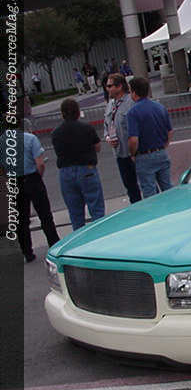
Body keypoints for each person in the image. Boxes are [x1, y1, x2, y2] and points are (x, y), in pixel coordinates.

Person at [0, 121, 60, 262]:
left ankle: (27, 251)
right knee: (45, 215)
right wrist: (38, 176)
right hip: (32, 178)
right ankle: (54, 245)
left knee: (21, 219)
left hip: (14, 180)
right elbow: (40, 163)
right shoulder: (30, 138)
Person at [51, 99, 105, 230]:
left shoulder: (56, 133)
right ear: (78, 112)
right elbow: (97, 147)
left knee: (75, 212)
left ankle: (79, 236)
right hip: (86, 168)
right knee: (96, 208)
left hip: (66, 171)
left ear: (62, 114)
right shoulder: (87, 128)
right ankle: (100, 234)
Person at [127, 77, 173, 198]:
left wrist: (132, 153)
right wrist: (164, 145)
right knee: (168, 188)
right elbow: (169, 131)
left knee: (149, 191)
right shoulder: (160, 107)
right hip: (161, 152)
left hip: (144, 155)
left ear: (134, 93)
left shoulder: (133, 112)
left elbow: (133, 139)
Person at [103, 73, 141, 204]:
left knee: (145, 184)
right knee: (130, 187)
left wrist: (135, 151)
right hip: (119, 153)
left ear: (119, 86)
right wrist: (108, 137)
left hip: (134, 152)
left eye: (110, 86)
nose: (107, 89)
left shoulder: (131, 102)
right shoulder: (110, 104)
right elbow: (106, 125)